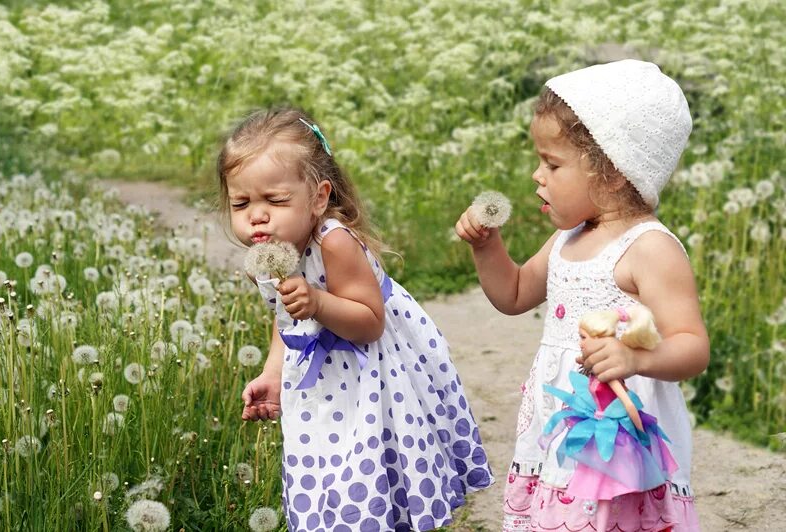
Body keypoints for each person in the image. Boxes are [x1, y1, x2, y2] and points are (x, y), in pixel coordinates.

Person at [455, 60, 709, 531]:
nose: (537, 175)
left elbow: (692, 345)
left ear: (612, 171)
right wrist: (487, 248)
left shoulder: (649, 249)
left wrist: (637, 360)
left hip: (619, 439)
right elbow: (512, 294)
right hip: (560, 431)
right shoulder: (568, 237)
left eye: (552, 163)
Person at [218, 107, 493, 532]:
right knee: (325, 474)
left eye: (274, 200)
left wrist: (318, 302)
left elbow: (369, 322)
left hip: (372, 378)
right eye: (241, 203)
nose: (257, 215)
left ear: (319, 196)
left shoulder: (335, 242)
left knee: (368, 472)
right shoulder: (268, 256)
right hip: (319, 387)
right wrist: (273, 372)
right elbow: (284, 319)